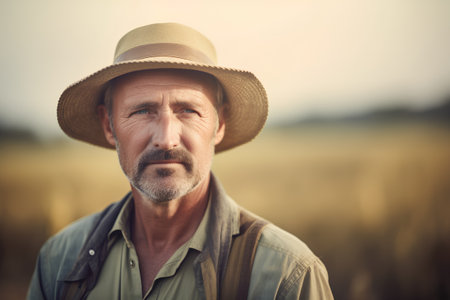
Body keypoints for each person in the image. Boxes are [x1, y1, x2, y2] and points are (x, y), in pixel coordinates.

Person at [27, 23, 334, 299]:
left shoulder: (286, 277)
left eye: (187, 110)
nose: (166, 138)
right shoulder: (59, 262)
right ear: (109, 125)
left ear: (219, 124)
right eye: (142, 111)